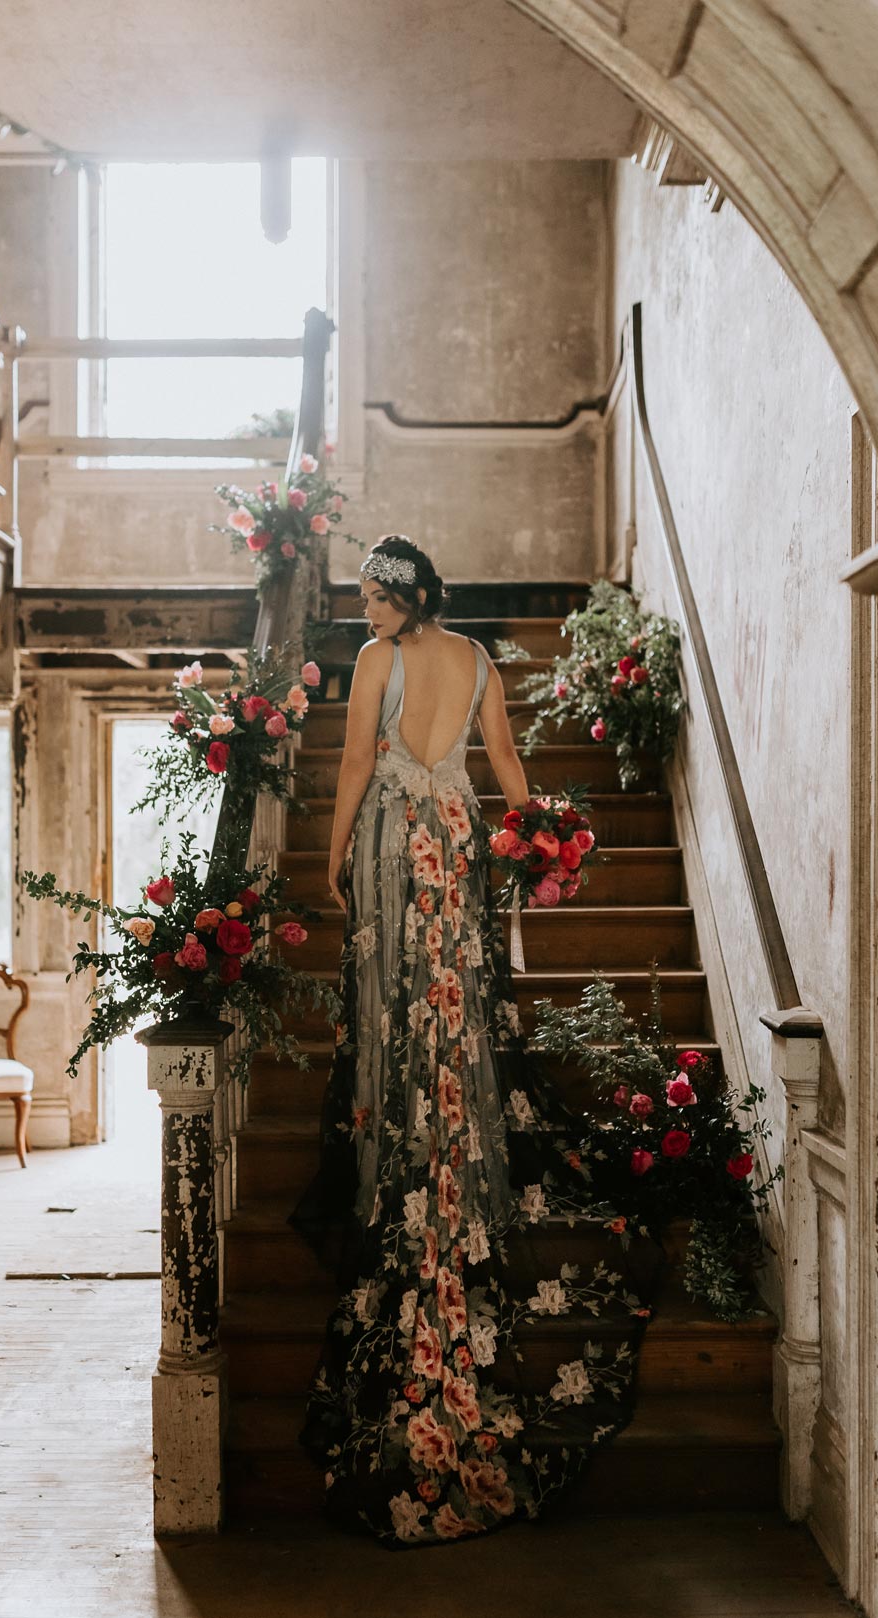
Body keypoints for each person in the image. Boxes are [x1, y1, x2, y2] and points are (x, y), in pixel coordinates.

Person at [288, 535, 663, 1547]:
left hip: (394, 842)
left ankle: (408, 1148)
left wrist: (331, 860)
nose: (363, 613)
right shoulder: (480, 660)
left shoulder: (382, 663)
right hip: (454, 834)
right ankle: (444, 1135)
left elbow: (360, 759)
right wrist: (538, 830)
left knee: (398, 999)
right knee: (450, 995)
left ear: (407, 600)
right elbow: (502, 763)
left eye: (373, 598)